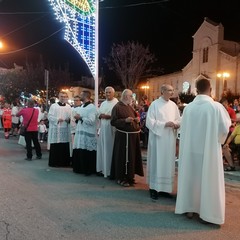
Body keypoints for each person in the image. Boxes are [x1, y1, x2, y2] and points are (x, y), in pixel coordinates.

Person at [175, 78, 231, 225]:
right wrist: (219, 140)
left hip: (191, 150)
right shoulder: (215, 107)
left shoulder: (189, 108)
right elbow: (225, 128)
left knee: (192, 178)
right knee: (208, 179)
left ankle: (189, 208)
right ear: (210, 89)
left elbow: (183, 129)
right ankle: (207, 213)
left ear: (196, 90)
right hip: (209, 150)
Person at [146, 84, 180, 200]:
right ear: (162, 91)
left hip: (169, 138)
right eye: (169, 90)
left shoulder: (173, 105)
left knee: (167, 161)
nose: (171, 92)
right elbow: (149, 122)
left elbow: (178, 119)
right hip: (158, 139)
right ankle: (154, 188)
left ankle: (165, 189)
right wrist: (164, 124)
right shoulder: (154, 105)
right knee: (157, 160)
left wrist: (176, 124)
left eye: (172, 90)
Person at [110, 89, 144, 187]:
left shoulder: (130, 107)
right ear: (125, 96)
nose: (132, 98)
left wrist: (137, 120)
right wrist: (125, 120)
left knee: (131, 157)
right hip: (123, 137)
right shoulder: (117, 107)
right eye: (130, 96)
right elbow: (113, 122)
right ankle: (121, 178)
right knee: (122, 157)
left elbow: (135, 117)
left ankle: (130, 177)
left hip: (132, 137)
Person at [72, 90, 97, 175]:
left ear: (86, 96)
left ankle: (87, 169)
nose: (79, 96)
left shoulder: (92, 107)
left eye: (81, 95)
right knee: (80, 149)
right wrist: (77, 118)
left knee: (87, 151)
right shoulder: (82, 106)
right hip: (80, 132)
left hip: (87, 132)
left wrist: (81, 118)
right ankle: (79, 168)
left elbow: (92, 121)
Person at [96, 86, 118, 177]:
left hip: (111, 129)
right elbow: (99, 114)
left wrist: (109, 116)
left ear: (113, 93)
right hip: (103, 129)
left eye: (109, 92)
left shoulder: (116, 103)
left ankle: (109, 170)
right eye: (106, 92)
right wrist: (100, 115)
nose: (108, 94)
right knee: (102, 148)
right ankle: (102, 169)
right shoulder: (103, 103)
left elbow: (117, 116)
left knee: (110, 149)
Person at [48, 91, 72, 167]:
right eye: (61, 96)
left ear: (67, 98)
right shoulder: (53, 106)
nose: (63, 98)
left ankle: (64, 163)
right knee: (56, 145)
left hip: (65, 128)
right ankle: (54, 163)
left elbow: (71, 117)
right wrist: (57, 119)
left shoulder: (69, 107)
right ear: (58, 97)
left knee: (64, 145)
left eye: (65, 97)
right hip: (56, 128)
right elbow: (50, 116)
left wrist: (69, 120)